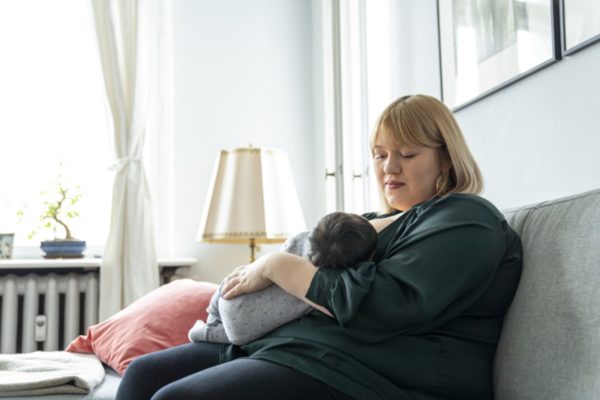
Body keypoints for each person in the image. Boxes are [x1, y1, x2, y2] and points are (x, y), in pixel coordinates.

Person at [116, 94, 522, 400]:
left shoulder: (467, 219)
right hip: (304, 349)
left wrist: (278, 266)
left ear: (446, 159)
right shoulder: (371, 219)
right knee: (142, 375)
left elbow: (391, 304)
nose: (389, 168)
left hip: (379, 374)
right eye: (380, 155)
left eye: (407, 154)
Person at [188, 211, 378, 345]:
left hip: (229, 290)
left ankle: (210, 318)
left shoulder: (299, 241)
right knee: (229, 333)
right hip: (239, 331)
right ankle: (204, 333)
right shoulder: (319, 287)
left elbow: (286, 248)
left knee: (226, 289)